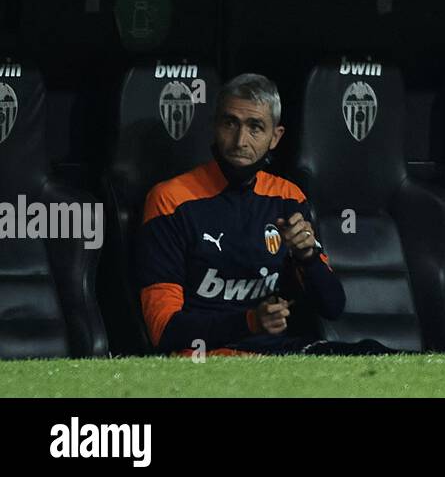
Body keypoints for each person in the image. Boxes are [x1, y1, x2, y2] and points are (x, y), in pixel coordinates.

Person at [135, 73, 388, 355]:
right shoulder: (170, 199)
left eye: (255, 127)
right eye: (230, 123)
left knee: (372, 355)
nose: (240, 140)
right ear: (214, 126)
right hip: (206, 357)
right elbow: (163, 330)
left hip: (279, 352)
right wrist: (250, 321)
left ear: (275, 137)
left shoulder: (288, 197)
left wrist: (308, 258)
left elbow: (333, 307)